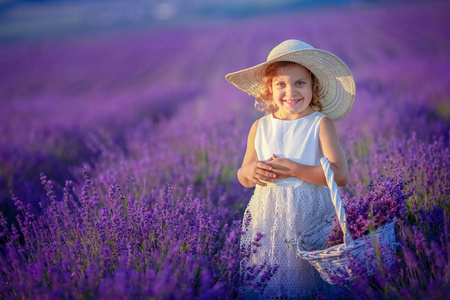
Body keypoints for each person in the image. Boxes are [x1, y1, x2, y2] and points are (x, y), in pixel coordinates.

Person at [225, 39, 355, 299]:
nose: (291, 92)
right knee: (272, 279)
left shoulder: (320, 124)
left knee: (308, 281)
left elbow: (340, 175)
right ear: (269, 90)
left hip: (312, 218)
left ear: (313, 86)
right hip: (268, 219)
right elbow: (243, 176)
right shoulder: (260, 127)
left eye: (299, 83)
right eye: (281, 85)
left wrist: (296, 169)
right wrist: (250, 171)